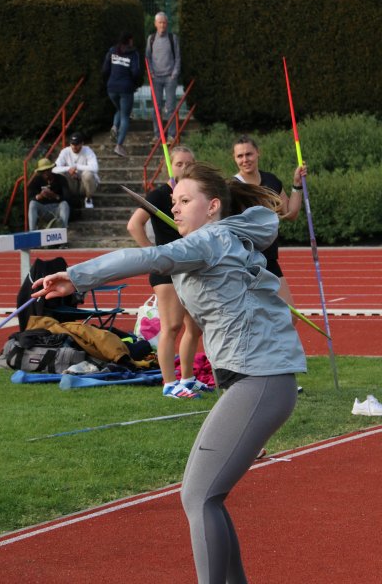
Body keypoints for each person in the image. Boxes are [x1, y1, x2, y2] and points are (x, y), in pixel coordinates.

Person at [32, 162, 306, 583]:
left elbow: (150, 255)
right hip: (257, 381)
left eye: (184, 200)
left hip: (261, 381)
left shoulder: (212, 239)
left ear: (213, 206)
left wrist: (77, 276)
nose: (174, 208)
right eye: (173, 200)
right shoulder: (219, 239)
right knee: (206, 497)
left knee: (199, 497)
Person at [127, 146, 207, 399]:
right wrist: (152, 254)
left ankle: (187, 379)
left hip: (190, 267)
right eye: (180, 164)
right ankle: (169, 384)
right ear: (169, 166)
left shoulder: (195, 195)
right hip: (167, 270)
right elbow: (134, 224)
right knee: (172, 326)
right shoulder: (161, 195)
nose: (185, 168)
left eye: (189, 163)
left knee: (194, 328)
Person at [233, 135, 307, 315]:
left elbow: (289, 213)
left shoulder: (271, 181)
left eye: (249, 154)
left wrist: (297, 185)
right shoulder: (232, 187)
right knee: (254, 318)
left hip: (269, 259)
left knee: (290, 316)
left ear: (258, 153)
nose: (245, 160)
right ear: (234, 159)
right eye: (240, 156)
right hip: (245, 263)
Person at [102, 31, 141, 158]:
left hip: (111, 87)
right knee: (125, 115)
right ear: (129, 40)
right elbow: (136, 72)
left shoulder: (112, 51)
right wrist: (134, 83)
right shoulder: (133, 53)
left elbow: (105, 69)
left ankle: (114, 126)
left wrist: (110, 80)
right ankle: (119, 145)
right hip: (126, 88)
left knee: (119, 109)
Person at [145, 11, 181, 145]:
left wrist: (174, 74)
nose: (162, 25)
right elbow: (147, 57)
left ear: (167, 24)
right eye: (160, 22)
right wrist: (151, 73)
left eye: (164, 22)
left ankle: (172, 135)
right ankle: (158, 135)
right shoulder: (151, 39)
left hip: (170, 78)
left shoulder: (173, 38)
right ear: (155, 24)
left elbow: (178, 57)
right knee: (156, 108)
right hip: (156, 79)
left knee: (171, 107)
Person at [53, 131, 100, 209]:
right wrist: (69, 169)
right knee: (59, 174)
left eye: (77, 144)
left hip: (84, 185)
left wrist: (77, 167)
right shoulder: (65, 151)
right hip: (72, 183)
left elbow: (95, 168)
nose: (74, 146)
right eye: (72, 144)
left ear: (82, 143)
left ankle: (88, 198)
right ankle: (65, 199)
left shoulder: (88, 151)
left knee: (88, 174)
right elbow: (54, 169)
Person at [28, 157, 70, 231]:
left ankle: (63, 232)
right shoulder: (36, 180)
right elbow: (30, 197)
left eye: (47, 170)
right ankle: (32, 232)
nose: (45, 173)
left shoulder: (61, 179)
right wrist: (40, 196)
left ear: (51, 169)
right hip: (43, 209)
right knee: (32, 204)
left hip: (57, 208)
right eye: (42, 171)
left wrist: (55, 196)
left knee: (64, 204)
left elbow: (68, 198)